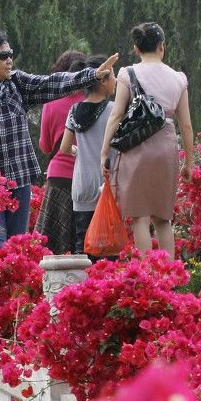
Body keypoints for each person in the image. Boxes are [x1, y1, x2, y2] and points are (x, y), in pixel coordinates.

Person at [0, 32, 116, 240]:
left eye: (10, 54)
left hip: (19, 182)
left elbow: (52, 83)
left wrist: (92, 75)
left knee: (16, 247)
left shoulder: (17, 84)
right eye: (3, 56)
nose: (10, 60)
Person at [100, 22, 194, 259]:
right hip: (166, 147)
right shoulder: (178, 78)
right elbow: (186, 125)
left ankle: (147, 278)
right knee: (163, 218)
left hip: (136, 148)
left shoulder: (127, 73)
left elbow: (116, 115)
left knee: (140, 217)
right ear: (162, 46)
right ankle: (170, 278)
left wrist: (104, 152)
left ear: (136, 48)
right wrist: (189, 162)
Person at [61, 55, 119, 256]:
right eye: (113, 76)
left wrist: (79, 151)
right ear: (103, 80)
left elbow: (64, 148)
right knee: (109, 248)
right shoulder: (114, 111)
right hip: (107, 184)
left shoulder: (74, 110)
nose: (116, 80)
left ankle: (81, 286)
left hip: (82, 184)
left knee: (83, 244)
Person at [36, 50, 93, 252]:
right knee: (85, 245)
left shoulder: (51, 103)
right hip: (88, 179)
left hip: (59, 178)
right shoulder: (94, 104)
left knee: (52, 248)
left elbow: (45, 146)